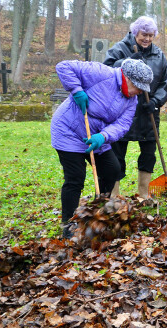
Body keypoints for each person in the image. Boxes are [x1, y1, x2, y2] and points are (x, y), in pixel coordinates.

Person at [51, 59, 153, 238]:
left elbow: (123, 124)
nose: (140, 91)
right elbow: (63, 66)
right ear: (126, 78)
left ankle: (99, 212)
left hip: (96, 136)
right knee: (75, 177)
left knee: (112, 169)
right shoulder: (101, 73)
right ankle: (68, 223)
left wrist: (103, 137)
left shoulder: (131, 100)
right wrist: (77, 90)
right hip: (68, 131)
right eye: (138, 86)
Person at [103, 16, 167, 200]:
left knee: (148, 153)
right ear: (135, 33)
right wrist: (124, 62)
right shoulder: (119, 49)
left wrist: (156, 102)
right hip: (121, 110)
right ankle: (114, 195)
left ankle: (143, 194)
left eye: (151, 35)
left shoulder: (158, 55)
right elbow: (105, 70)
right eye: (143, 35)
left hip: (148, 112)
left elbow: (165, 83)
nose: (147, 39)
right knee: (117, 154)